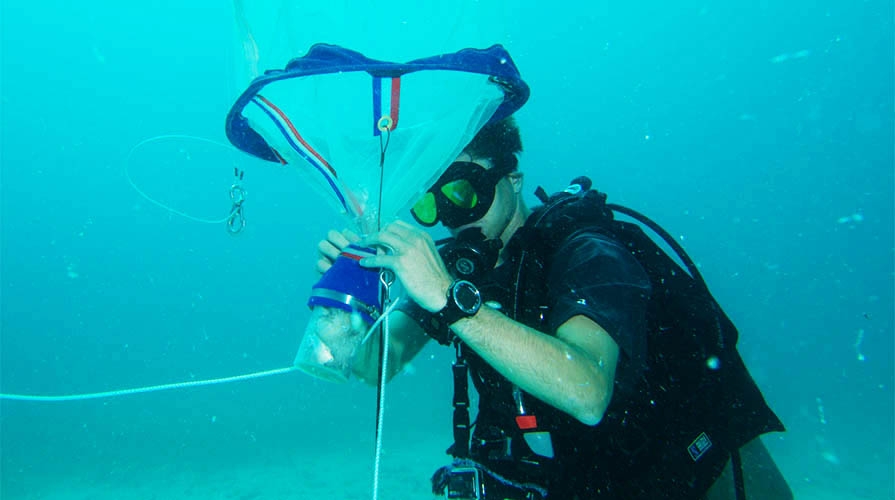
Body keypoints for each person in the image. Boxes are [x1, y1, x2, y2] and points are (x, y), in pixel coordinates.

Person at [315, 116, 793, 499]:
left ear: (514, 179)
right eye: (433, 203)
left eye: (464, 191)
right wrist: (345, 305)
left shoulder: (585, 251)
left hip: (696, 469)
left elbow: (586, 392)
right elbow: (377, 364)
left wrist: (448, 299)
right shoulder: (458, 270)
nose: (453, 216)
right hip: (584, 478)